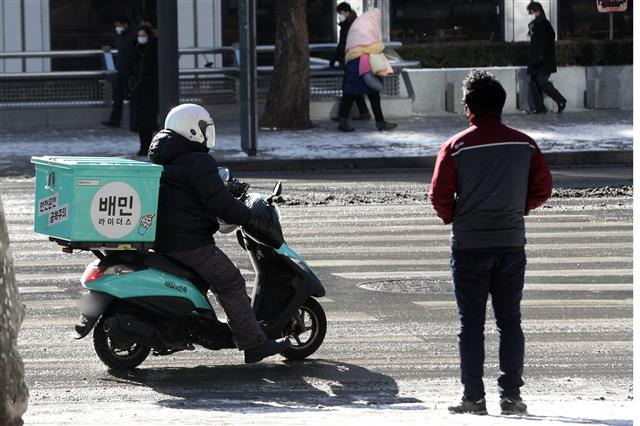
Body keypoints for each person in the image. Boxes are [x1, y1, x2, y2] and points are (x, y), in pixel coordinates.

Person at [428, 70, 552, 415]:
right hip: (512, 244)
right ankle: (511, 397)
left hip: (469, 247)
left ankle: (474, 399)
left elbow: (438, 197)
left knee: (470, 324)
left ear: (469, 108)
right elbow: (543, 188)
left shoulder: (456, 147)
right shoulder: (524, 144)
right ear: (500, 105)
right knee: (510, 321)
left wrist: (457, 216)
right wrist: (517, 207)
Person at [148, 103, 290, 364]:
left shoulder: (166, 156)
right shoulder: (198, 161)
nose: (205, 134)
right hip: (189, 242)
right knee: (230, 281)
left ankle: (235, 327)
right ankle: (253, 343)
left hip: (166, 239)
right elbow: (220, 203)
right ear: (191, 128)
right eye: (203, 128)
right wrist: (248, 217)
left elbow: (196, 193)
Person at [336, 8, 396, 132]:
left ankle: (344, 121)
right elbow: (373, 44)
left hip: (354, 62)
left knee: (350, 93)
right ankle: (380, 122)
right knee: (372, 94)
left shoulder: (357, 25)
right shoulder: (368, 26)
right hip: (365, 63)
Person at [330, 2, 371, 122]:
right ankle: (364, 112)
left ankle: (343, 116)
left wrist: (335, 59)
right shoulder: (349, 24)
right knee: (354, 88)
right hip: (351, 59)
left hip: (352, 60)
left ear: (345, 12)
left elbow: (344, 44)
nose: (339, 16)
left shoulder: (351, 25)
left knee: (348, 88)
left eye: (340, 13)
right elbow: (342, 44)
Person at [526, 2, 566, 114]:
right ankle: (539, 107)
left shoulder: (544, 23)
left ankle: (560, 100)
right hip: (535, 59)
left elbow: (547, 41)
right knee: (534, 83)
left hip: (543, 60)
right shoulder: (535, 23)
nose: (531, 14)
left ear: (537, 10)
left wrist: (541, 55)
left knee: (541, 82)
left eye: (531, 11)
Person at [128, 25, 159, 156]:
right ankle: (143, 146)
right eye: (139, 35)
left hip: (149, 91)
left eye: (143, 35)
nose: (141, 38)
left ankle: (148, 146)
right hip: (138, 91)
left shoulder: (153, 50)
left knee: (148, 121)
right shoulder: (135, 49)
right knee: (141, 121)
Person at [102, 16, 136, 128]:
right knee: (118, 97)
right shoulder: (123, 36)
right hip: (121, 71)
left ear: (125, 24)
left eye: (118, 25)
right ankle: (115, 120)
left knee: (131, 97)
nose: (117, 28)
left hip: (129, 72)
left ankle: (133, 121)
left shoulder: (132, 36)